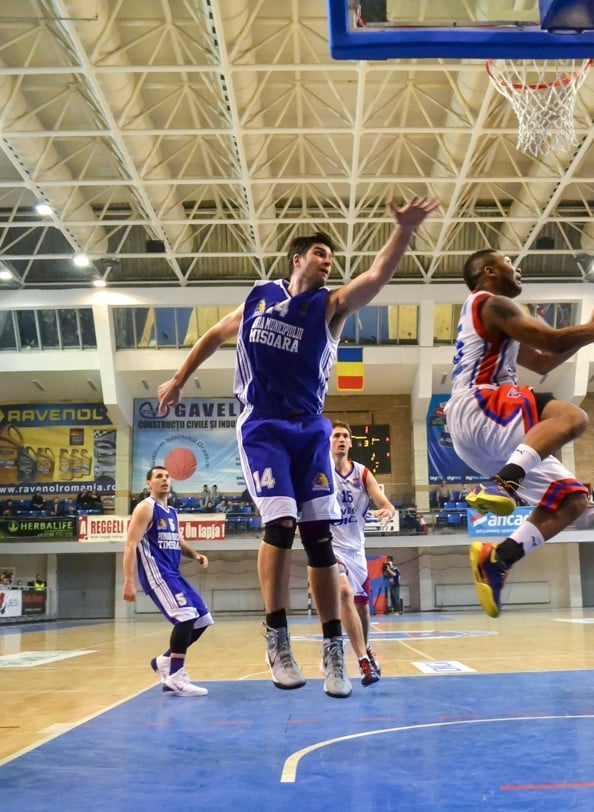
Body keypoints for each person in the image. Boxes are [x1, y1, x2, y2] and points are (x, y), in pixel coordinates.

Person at [157, 197, 437, 699]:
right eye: (320, 254)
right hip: (263, 424)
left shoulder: (328, 306)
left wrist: (405, 232)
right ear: (297, 258)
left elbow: (375, 277)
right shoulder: (258, 300)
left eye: (331, 258)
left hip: (309, 427)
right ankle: (277, 639)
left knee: (319, 539)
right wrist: (179, 379)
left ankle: (334, 652)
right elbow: (213, 336)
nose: (328, 262)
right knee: (281, 524)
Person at [445, 249, 594, 617]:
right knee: (573, 417)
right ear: (489, 271)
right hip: (481, 402)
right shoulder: (492, 303)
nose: (518, 267)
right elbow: (554, 341)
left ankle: (497, 559)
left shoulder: (493, 320)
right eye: (510, 261)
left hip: (478, 434)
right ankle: (503, 483)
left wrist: (592, 324)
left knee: (573, 501)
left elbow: (543, 360)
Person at [122, 465, 213, 697]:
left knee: (202, 619)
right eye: (158, 477)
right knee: (185, 617)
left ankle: (164, 660)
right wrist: (128, 581)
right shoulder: (145, 508)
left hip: (174, 574)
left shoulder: (171, 512)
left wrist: (195, 555)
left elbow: (178, 542)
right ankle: (175, 676)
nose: (164, 480)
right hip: (157, 575)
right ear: (149, 484)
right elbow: (131, 544)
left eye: (167, 476)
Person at [329, 421, 394, 687]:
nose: (341, 439)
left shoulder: (363, 473)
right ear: (329, 442)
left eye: (345, 436)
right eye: (336, 436)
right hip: (331, 547)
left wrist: (388, 510)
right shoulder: (321, 471)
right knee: (343, 592)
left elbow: (383, 501)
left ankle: (365, 647)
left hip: (356, 549)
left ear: (351, 442)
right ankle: (362, 661)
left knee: (362, 607)